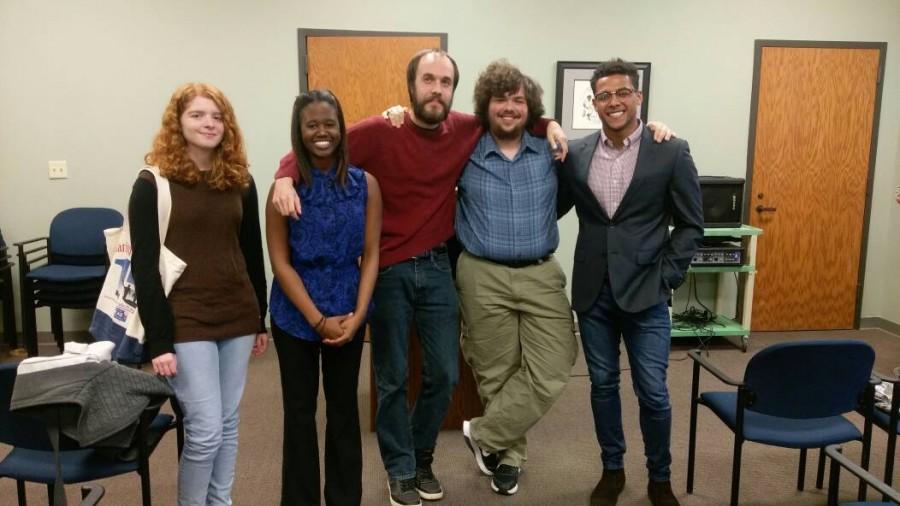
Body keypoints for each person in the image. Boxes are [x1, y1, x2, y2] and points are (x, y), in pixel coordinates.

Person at [271, 49, 568, 506]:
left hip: (436, 267)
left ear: (454, 89)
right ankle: (401, 470)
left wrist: (549, 125)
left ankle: (422, 455)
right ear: (411, 86)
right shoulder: (380, 130)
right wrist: (284, 178)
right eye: (428, 80)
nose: (436, 89)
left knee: (446, 375)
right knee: (391, 378)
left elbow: (517, 117)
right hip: (387, 268)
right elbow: (318, 142)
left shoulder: (468, 128)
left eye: (445, 82)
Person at [557, 58, 704, 506]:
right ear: (594, 102)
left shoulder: (670, 150)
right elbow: (552, 205)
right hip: (593, 291)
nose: (614, 102)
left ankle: (660, 477)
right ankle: (613, 470)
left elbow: (691, 224)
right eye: (604, 95)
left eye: (622, 93)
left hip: (647, 291)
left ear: (638, 97)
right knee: (602, 384)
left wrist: (668, 277)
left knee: (653, 391)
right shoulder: (577, 154)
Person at [130, 83, 269, 506]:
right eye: (197, 115)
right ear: (179, 123)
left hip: (237, 313)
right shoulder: (152, 183)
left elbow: (251, 254)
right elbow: (145, 267)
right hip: (185, 317)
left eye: (217, 116)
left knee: (227, 424)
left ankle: (220, 503)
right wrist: (159, 340)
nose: (209, 123)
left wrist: (259, 318)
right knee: (205, 429)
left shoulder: (240, 180)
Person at [451, 60, 578, 496]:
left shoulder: (551, 150)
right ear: (485, 106)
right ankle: (510, 458)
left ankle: (484, 435)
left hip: (541, 272)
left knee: (554, 366)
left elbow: (573, 190)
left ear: (532, 108)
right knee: (496, 373)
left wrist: (553, 124)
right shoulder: (464, 151)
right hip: (481, 274)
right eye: (500, 99)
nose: (509, 108)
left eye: (518, 100)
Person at [266, 90, 382, 506]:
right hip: (295, 315)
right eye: (311, 124)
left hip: (349, 313)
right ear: (299, 130)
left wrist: (360, 314)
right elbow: (280, 263)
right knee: (299, 415)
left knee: (344, 413)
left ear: (341, 128)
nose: (322, 132)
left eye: (329, 124)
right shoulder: (284, 189)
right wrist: (316, 320)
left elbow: (371, 255)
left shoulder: (364, 184)